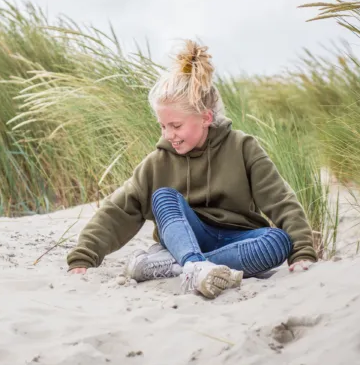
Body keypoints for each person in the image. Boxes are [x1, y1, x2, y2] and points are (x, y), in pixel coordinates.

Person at [66, 41, 317, 299]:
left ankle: (177, 266)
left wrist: (302, 252)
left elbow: (280, 201)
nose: (169, 135)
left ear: (206, 118)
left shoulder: (243, 147)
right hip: (183, 238)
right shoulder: (157, 162)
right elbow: (117, 210)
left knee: (277, 242)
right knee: (164, 197)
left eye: (176, 125)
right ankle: (194, 265)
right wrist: (84, 255)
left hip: (238, 240)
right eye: (163, 126)